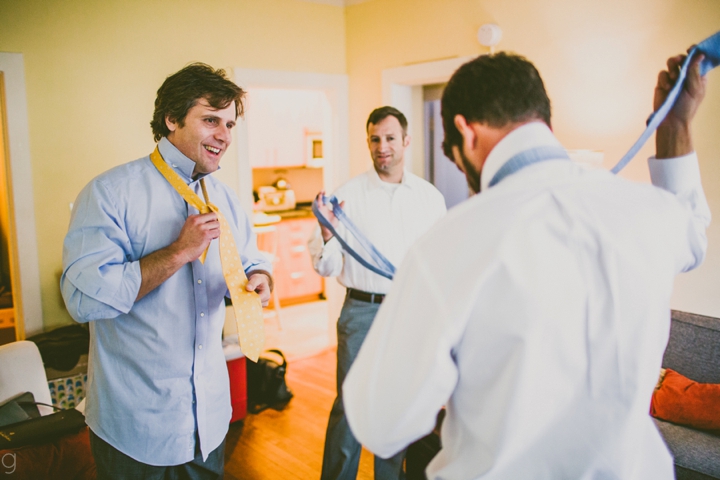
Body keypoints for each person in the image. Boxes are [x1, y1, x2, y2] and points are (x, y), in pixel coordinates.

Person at [342, 51, 711, 480]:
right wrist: (677, 124)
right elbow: (692, 232)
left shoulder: (447, 244)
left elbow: (382, 426)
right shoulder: (646, 210)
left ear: (465, 131)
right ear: (542, 119)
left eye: (455, 157)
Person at [61, 63, 273, 479]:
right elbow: (83, 301)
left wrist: (260, 277)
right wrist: (177, 253)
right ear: (171, 119)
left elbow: (251, 257)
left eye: (229, 124)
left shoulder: (225, 199)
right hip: (137, 426)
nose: (225, 136)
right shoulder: (109, 193)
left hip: (210, 420)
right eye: (211, 119)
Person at [308, 106, 447, 480]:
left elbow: (438, 262)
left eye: (389, 138)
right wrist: (325, 236)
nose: (382, 147)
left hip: (410, 313)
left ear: (406, 140)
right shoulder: (345, 197)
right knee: (351, 406)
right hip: (361, 312)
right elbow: (326, 267)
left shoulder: (430, 198)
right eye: (374, 139)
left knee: (397, 407)